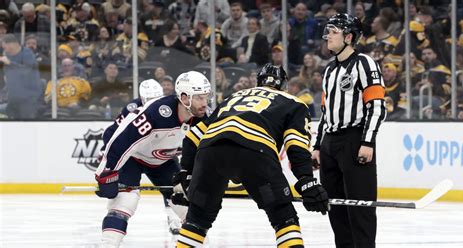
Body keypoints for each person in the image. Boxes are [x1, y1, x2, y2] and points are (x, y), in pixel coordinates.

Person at [171, 64, 329, 247]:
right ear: (283, 85)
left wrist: (186, 173)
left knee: (197, 220)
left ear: (259, 82)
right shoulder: (294, 102)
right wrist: (306, 180)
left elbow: (191, 138)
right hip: (255, 153)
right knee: (283, 216)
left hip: (210, 152)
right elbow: (296, 145)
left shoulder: (234, 98)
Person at [94, 71, 212, 247]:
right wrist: (106, 170)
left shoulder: (205, 119)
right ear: (185, 98)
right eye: (200, 98)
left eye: (206, 97)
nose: (205, 103)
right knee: (124, 203)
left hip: (164, 161)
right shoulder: (156, 112)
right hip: (133, 159)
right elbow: (122, 139)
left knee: (189, 207)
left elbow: (207, 151)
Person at [312, 14, 386, 248]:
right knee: (336, 210)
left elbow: (376, 106)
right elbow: (326, 113)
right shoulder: (329, 70)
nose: (328, 37)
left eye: (333, 32)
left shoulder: (364, 63)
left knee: (360, 210)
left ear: (349, 36)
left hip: (354, 141)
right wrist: (317, 146)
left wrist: (368, 142)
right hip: (330, 145)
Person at [0, 34, 43, 119]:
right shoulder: (7, 56)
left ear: (12, 44)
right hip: (13, 98)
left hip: (28, 99)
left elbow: (26, 71)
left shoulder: (27, 53)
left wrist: (10, 63)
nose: (5, 51)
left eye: (5, 48)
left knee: (26, 125)